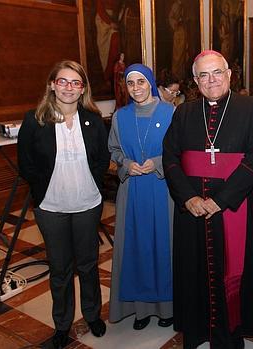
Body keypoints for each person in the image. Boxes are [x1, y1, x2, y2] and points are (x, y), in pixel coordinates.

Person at [162, 50, 253, 348]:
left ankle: (229, 335)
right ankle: (196, 330)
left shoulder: (251, 108)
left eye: (217, 73)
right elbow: (170, 159)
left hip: (233, 206)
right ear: (195, 81)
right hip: (192, 210)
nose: (211, 80)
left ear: (229, 75)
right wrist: (188, 198)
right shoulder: (183, 112)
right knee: (193, 268)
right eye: (203, 75)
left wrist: (220, 200)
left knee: (230, 270)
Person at [17, 60, 110, 348]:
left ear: (83, 89)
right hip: (51, 208)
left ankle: (93, 315)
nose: (69, 87)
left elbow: (102, 160)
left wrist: (90, 184)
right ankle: (61, 325)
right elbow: (26, 164)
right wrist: (43, 192)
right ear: (52, 85)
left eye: (76, 82)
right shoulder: (35, 120)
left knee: (88, 265)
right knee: (60, 269)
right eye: (63, 81)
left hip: (87, 204)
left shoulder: (93, 120)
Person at [108, 64, 175, 330]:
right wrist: (125, 164)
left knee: (163, 246)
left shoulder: (171, 112)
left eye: (141, 82)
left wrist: (158, 162)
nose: (136, 88)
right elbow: (113, 149)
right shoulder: (120, 117)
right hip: (132, 191)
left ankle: (168, 307)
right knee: (136, 248)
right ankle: (141, 310)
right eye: (130, 83)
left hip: (163, 191)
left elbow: (180, 150)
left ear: (151, 83)